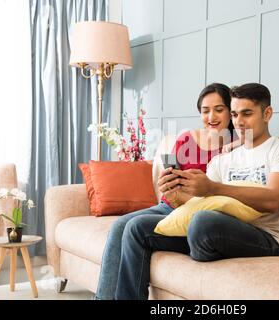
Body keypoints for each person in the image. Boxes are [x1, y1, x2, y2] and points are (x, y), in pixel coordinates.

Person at [114, 83, 279, 300]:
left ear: (267, 113)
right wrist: (176, 195)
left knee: (203, 222)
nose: (239, 122)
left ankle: (201, 244)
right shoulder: (223, 160)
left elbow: (275, 199)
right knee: (136, 227)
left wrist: (214, 188)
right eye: (235, 114)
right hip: (215, 232)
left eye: (247, 114)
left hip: (269, 238)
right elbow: (200, 202)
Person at [94, 83, 235, 300]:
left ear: (230, 111)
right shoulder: (186, 139)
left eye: (219, 109)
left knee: (131, 228)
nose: (211, 117)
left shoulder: (237, 146)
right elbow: (171, 176)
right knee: (119, 225)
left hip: (194, 213)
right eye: (205, 111)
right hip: (169, 206)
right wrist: (167, 184)